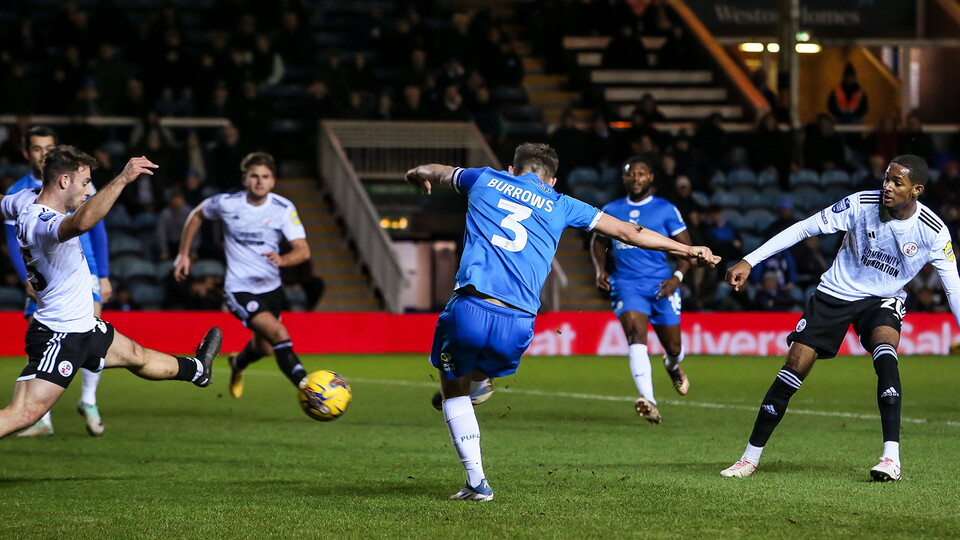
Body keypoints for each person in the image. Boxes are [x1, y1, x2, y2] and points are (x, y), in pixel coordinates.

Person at [405, 143, 719, 501]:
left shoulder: (484, 178)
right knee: (476, 371)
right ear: (552, 180)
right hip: (519, 320)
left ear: (512, 170)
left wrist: (417, 173)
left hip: (471, 305)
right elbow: (630, 233)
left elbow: (438, 171)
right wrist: (687, 250)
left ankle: (477, 479)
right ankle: (479, 383)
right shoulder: (562, 203)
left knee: (453, 391)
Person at [720, 154, 960, 482]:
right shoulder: (860, 204)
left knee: (885, 354)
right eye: (886, 178)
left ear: (916, 190)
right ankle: (749, 458)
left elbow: (953, 290)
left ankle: (891, 459)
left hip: (882, 298)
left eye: (897, 182)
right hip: (836, 293)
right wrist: (750, 260)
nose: (887, 187)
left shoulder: (933, 231)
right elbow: (804, 228)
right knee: (793, 369)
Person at [0, 146, 222, 439]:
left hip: (84, 326)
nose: (87, 191)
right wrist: (122, 179)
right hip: (60, 334)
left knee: (136, 355)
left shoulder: (24, 199)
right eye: (84, 183)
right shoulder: (40, 221)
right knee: (24, 413)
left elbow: (2, 202)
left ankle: (197, 370)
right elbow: (81, 222)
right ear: (64, 181)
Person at [3, 126, 111, 437]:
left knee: (90, 326)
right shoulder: (21, 191)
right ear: (27, 153)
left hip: (83, 268)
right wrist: (25, 276)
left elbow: (97, 228)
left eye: (49, 148)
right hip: (45, 273)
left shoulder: (79, 180)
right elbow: (11, 239)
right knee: (41, 333)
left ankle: (89, 400)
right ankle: (41, 416)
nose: (43, 154)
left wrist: (103, 273)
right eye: (37, 149)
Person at [174, 152, 311, 398]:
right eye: (254, 176)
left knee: (265, 348)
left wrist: (283, 259)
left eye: (265, 177)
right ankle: (310, 390)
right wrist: (184, 254)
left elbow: (303, 250)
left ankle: (237, 364)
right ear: (245, 179)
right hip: (240, 288)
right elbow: (197, 214)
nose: (259, 181)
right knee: (280, 334)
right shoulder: (228, 203)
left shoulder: (283, 208)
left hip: (271, 288)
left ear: (273, 181)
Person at [590, 157, 693, 424]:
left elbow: (687, 249)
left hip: (662, 285)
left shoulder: (666, 209)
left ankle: (672, 365)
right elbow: (598, 241)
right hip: (626, 285)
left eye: (641, 174)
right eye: (630, 174)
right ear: (624, 178)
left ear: (651, 178)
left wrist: (677, 278)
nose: (635, 178)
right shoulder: (611, 209)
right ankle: (650, 401)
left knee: (674, 348)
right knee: (636, 335)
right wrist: (601, 269)